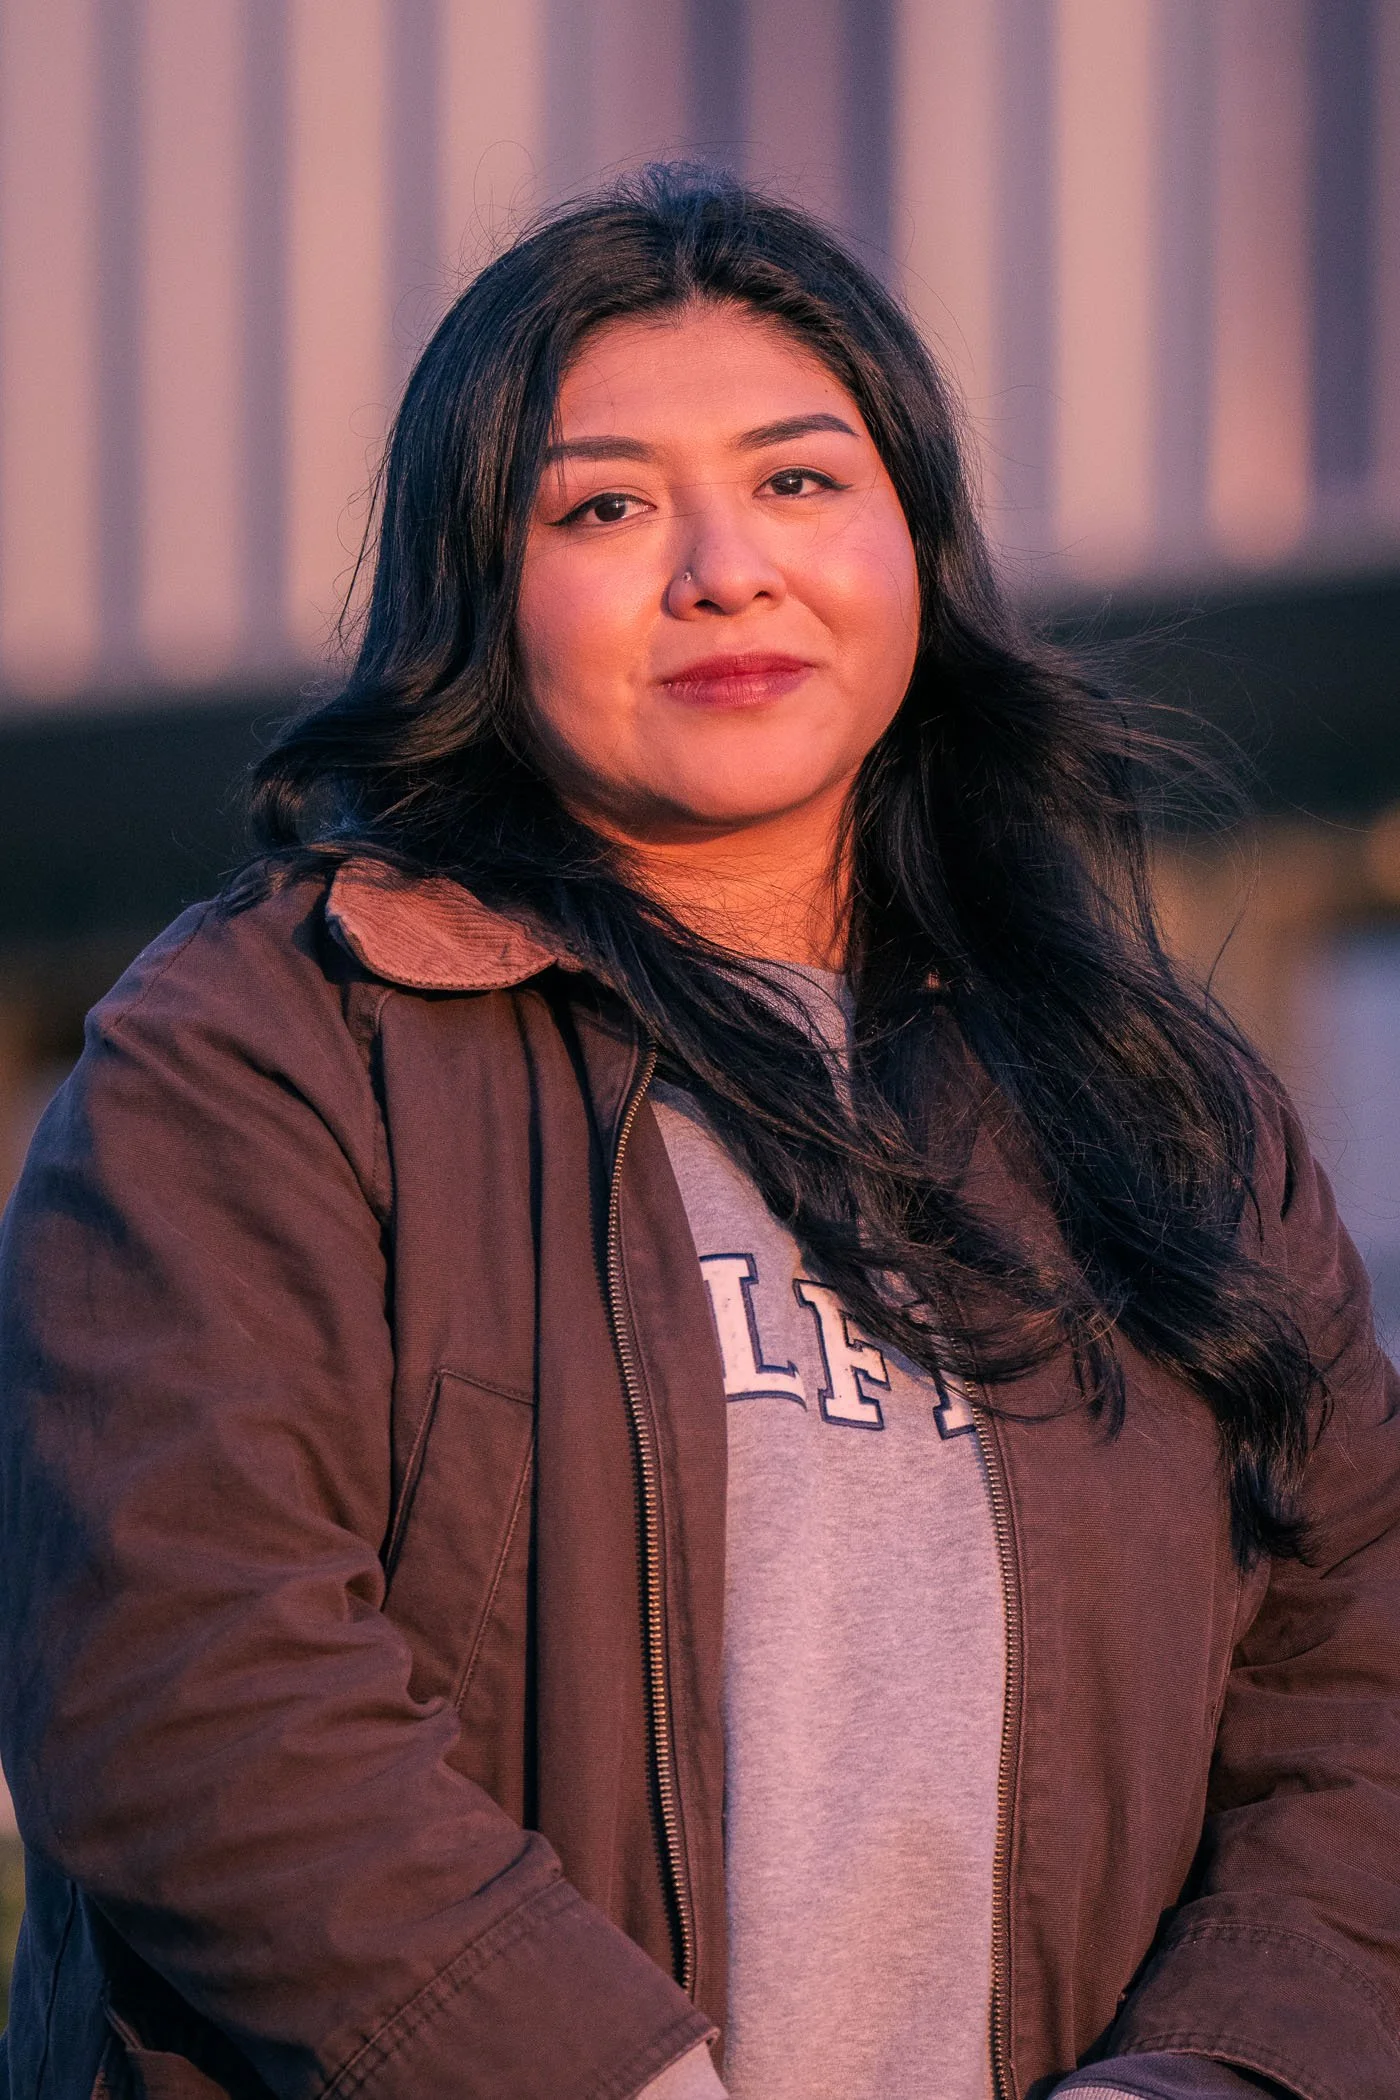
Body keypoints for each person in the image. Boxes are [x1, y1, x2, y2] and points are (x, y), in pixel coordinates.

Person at [0, 164, 1396, 2100]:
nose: (725, 570)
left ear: (915, 544)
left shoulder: (1156, 1105)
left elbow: (1352, 1680)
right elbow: (192, 1686)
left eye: (800, 479)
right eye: (604, 507)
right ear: (479, 597)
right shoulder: (268, 1053)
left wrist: (1210, 2080)